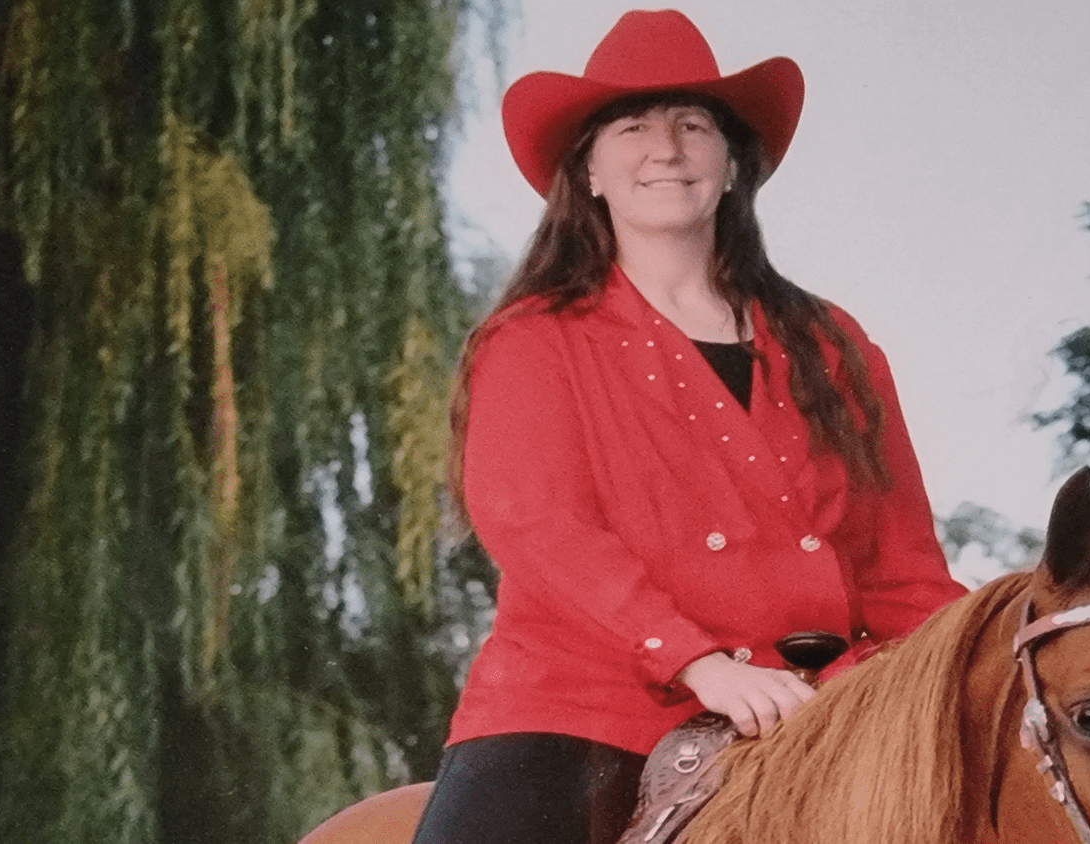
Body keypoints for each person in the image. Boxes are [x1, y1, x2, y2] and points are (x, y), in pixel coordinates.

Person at [413, 10, 967, 844]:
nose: (666, 150)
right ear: (589, 172)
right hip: (587, 706)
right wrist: (696, 662)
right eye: (633, 127)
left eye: (693, 125)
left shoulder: (833, 345)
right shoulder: (533, 341)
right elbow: (543, 527)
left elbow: (904, 567)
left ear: (734, 163)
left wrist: (966, 666)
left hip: (821, 705)